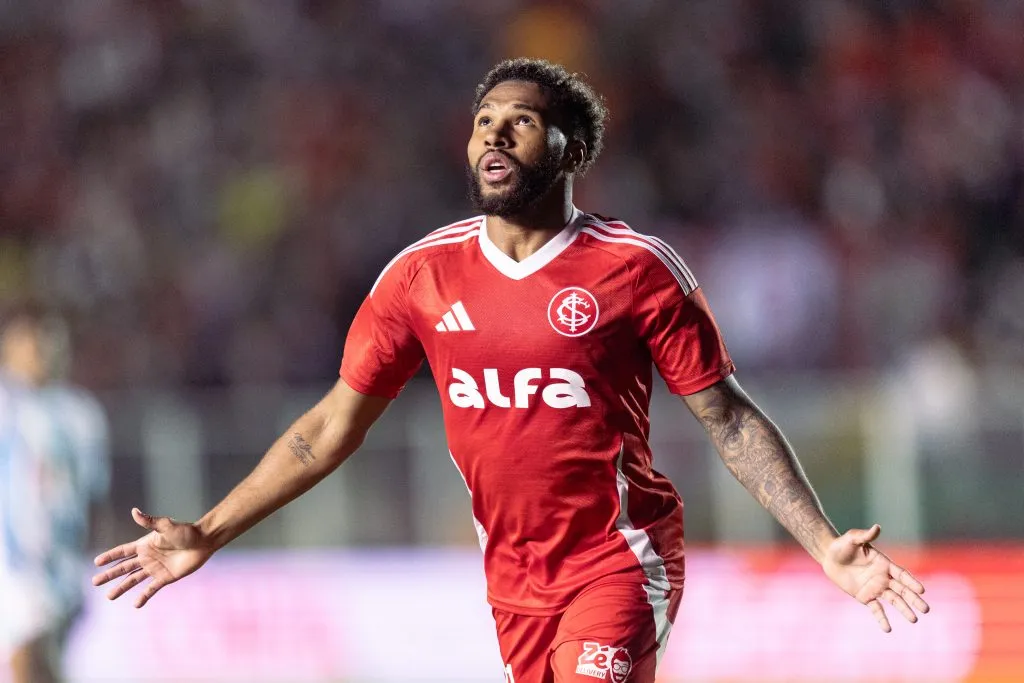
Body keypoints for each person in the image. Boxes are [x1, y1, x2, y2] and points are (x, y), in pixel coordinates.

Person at [92, 59, 929, 683]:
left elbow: (731, 417)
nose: (494, 133)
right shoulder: (421, 276)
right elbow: (325, 431)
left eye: (520, 120)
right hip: (514, 579)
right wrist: (208, 530)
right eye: (484, 118)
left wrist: (824, 544)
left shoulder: (634, 268)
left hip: (621, 557)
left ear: (570, 150)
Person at [0, 306, 110, 683]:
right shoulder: (6, 405)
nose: (41, 352)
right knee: (27, 652)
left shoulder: (80, 413)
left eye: (48, 342)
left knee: (46, 658)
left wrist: (88, 558)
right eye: (29, 342)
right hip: (14, 560)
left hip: (61, 559)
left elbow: (96, 492)